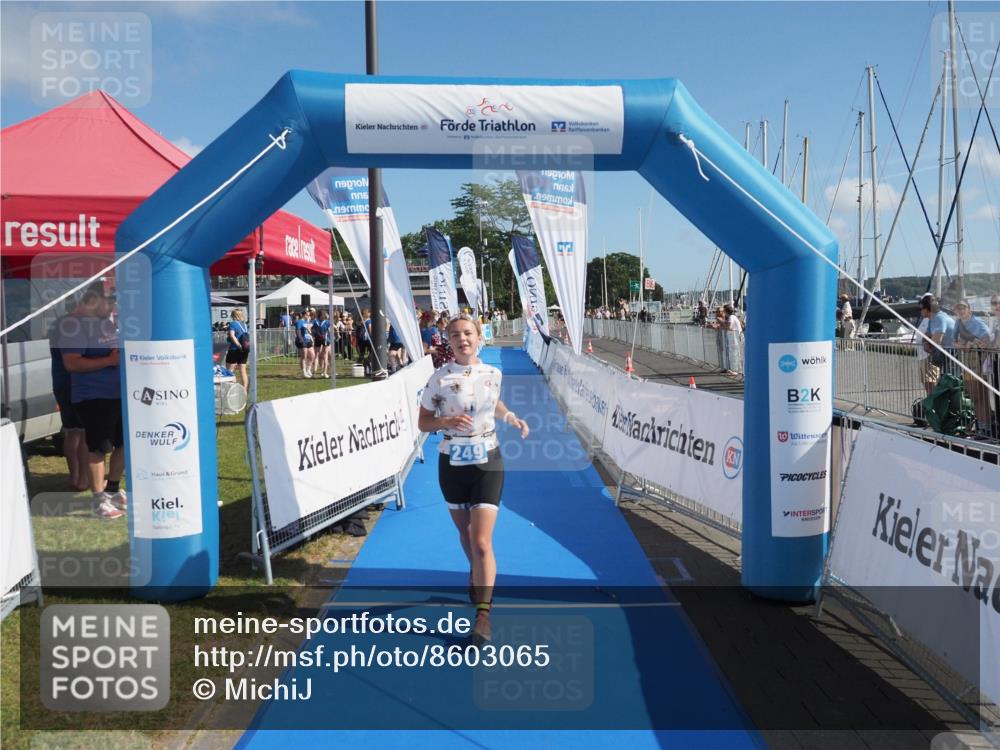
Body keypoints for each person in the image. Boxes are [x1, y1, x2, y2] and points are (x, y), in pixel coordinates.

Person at [417, 313, 530, 645]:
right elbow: (423, 422)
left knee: (481, 541)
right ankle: (479, 574)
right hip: (451, 463)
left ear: (479, 336)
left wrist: (511, 416)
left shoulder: (493, 373)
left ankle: (483, 615)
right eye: (455, 335)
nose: (462, 339)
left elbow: (492, 403)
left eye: (468, 333)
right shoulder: (438, 379)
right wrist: (445, 421)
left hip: (487, 461)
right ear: (448, 341)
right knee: (465, 535)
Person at [60, 285, 126, 519]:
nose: (112, 306)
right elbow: (72, 363)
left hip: (116, 393)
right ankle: (99, 501)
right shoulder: (74, 326)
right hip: (93, 396)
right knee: (99, 447)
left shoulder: (106, 323)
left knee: (122, 444)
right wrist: (109, 360)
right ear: (93, 300)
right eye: (109, 301)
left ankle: (113, 490)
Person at [49, 298, 90, 491]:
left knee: (71, 431)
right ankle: (83, 479)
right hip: (75, 383)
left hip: (61, 382)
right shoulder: (75, 325)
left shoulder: (58, 324)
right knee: (83, 433)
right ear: (79, 305)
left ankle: (74, 477)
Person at [952, 299, 993, 436]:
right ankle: (980, 425)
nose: (961, 311)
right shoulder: (958, 323)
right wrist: (963, 344)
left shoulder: (977, 322)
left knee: (980, 394)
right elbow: (954, 341)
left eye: (963, 308)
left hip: (979, 363)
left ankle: (985, 427)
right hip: (967, 362)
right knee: (973, 394)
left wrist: (972, 344)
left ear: (969, 309)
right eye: (958, 309)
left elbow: (987, 339)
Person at [919, 295, 955, 394]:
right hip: (942, 355)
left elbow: (937, 340)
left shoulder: (939, 318)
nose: (920, 311)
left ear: (927, 309)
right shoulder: (932, 319)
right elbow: (925, 337)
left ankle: (938, 403)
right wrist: (926, 343)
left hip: (951, 355)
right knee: (930, 380)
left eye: (921, 308)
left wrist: (928, 345)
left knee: (948, 384)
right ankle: (934, 402)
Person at [226, 309, 250, 390]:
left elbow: (232, 336)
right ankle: (244, 390)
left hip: (234, 349)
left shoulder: (232, 324)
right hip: (244, 350)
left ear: (233, 315)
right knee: (243, 371)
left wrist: (238, 345)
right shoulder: (245, 325)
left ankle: (232, 390)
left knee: (230, 371)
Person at [295, 308, 316, 378]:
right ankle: (303, 372)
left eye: (309, 315)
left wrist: (312, 339)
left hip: (308, 340)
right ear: (304, 315)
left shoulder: (307, 322)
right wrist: (301, 340)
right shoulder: (299, 322)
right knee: (304, 356)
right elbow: (298, 332)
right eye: (307, 315)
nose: (309, 316)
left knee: (312, 355)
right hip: (302, 341)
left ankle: (308, 369)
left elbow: (309, 332)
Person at [313, 309, 331, 378]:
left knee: (316, 356)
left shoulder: (315, 321)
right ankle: (325, 372)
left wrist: (312, 335)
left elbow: (309, 328)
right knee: (325, 356)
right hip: (325, 339)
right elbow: (332, 328)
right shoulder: (327, 322)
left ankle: (314, 372)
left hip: (317, 339)